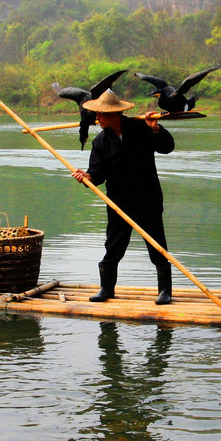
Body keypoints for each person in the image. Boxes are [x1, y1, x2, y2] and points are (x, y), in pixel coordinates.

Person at [71, 89, 176, 305]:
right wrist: (87, 176)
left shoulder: (142, 128)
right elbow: (98, 173)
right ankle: (106, 289)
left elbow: (167, 148)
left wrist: (156, 130)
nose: (97, 119)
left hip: (148, 199)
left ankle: (165, 291)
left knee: (157, 245)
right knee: (114, 245)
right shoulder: (100, 141)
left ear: (114, 114)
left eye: (101, 115)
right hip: (119, 202)